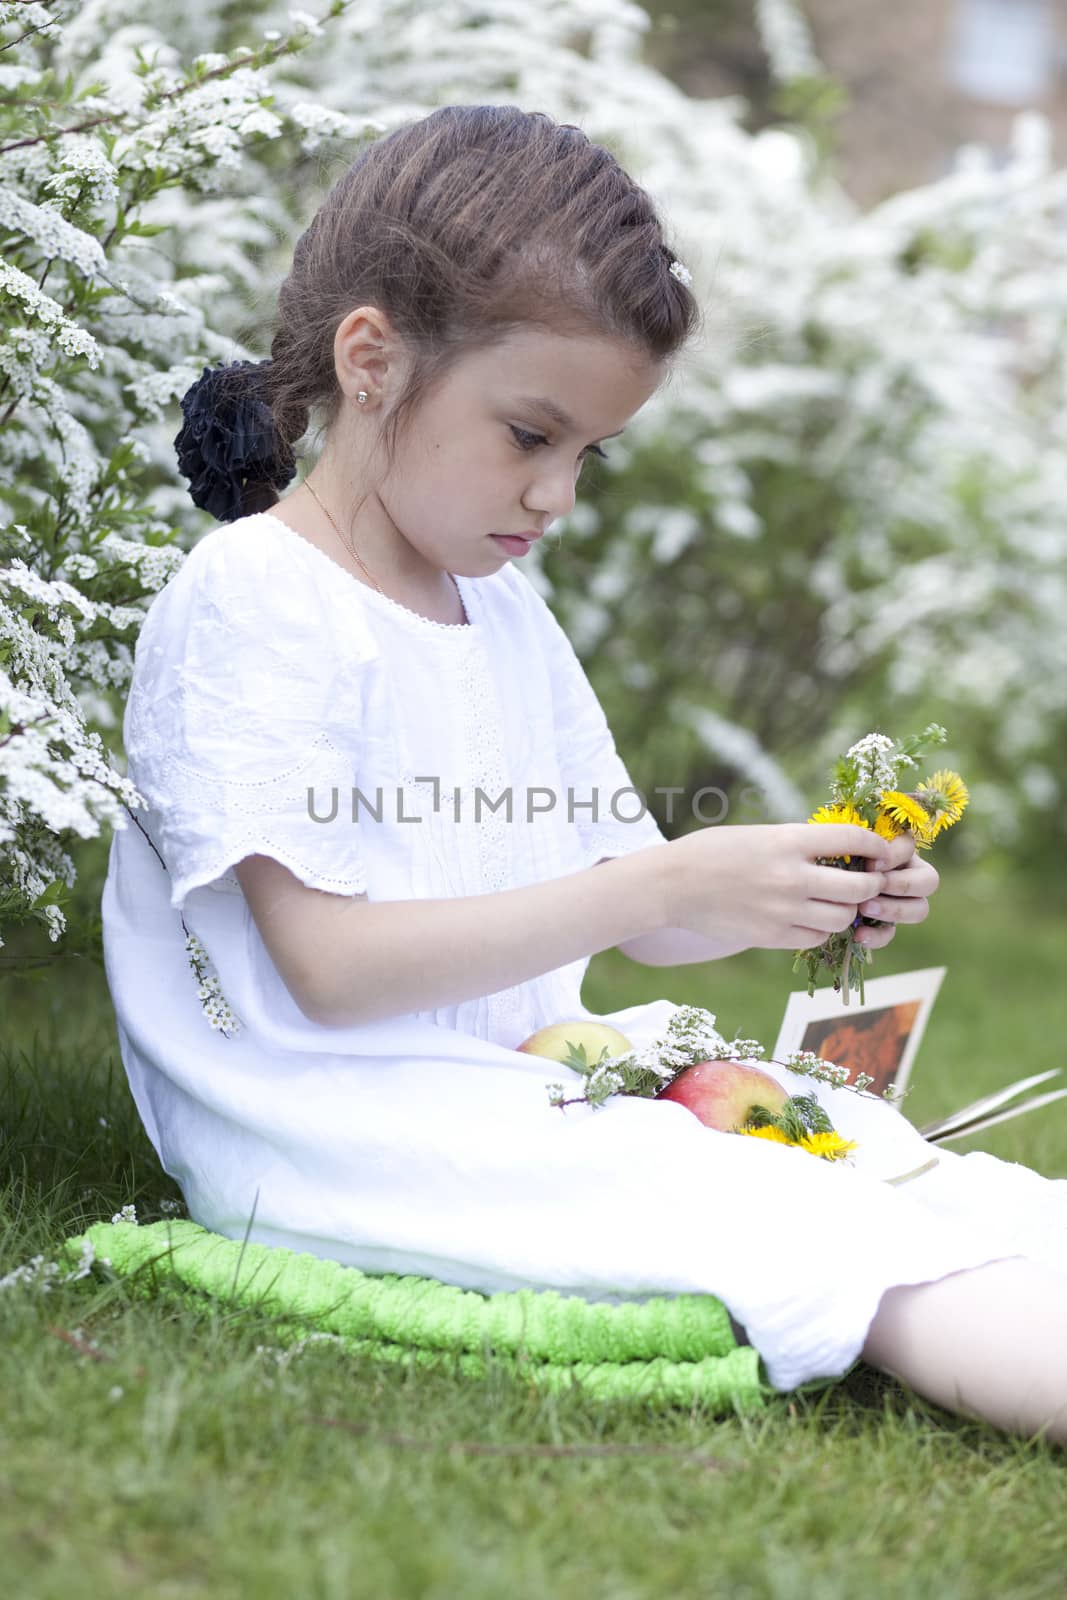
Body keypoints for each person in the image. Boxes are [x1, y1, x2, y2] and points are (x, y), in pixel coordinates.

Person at [101, 104, 1067, 1447]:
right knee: (796, 1217)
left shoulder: (497, 606)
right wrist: (652, 884)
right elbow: (326, 969)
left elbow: (633, 902)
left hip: (517, 1082)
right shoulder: (258, 598)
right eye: (529, 434)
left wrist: (781, 882)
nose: (555, 495)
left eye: (586, 456)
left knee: (881, 1154)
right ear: (371, 360)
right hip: (327, 1128)